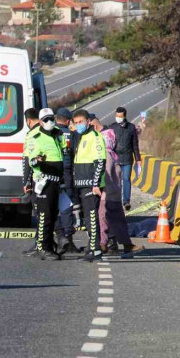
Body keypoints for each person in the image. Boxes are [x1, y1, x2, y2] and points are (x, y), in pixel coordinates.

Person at [22, 107, 66, 260]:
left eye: (52, 119)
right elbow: (31, 161)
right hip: (44, 181)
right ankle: (42, 247)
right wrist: (38, 160)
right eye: (46, 120)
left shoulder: (58, 135)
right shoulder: (36, 137)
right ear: (40, 122)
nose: (50, 122)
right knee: (44, 216)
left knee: (52, 216)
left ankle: (48, 245)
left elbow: (64, 153)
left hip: (56, 181)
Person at [96, 123, 143, 258]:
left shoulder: (110, 155)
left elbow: (110, 175)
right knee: (113, 220)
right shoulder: (110, 155)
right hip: (111, 194)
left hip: (110, 194)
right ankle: (119, 244)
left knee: (108, 219)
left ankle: (108, 243)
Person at [72, 109, 106, 262]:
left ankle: (96, 249)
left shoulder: (95, 137)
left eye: (81, 122)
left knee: (91, 217)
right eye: (76, 122)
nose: (78, 125)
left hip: (91, 184)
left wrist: (96, 184)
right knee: (87, 218)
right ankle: (92, 247)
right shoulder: (80, 137)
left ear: (88, 121)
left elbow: (100, 162)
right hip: (81, 184)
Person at [54, 107, 82, 254]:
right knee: (67, 206)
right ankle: (68, 238)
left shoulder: (51, 133)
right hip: (68, 174)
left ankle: (58, 238)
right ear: (66, 120)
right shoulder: (71, 135)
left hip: (53, 172)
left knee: (53, 207)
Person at [108, 107, 141, 211]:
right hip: (115, 158)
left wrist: (138, 159)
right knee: (116, 180)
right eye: (117, 116)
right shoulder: (112, 127)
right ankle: (116, 200)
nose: (118, 118)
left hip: (127, 158)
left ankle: (126, 201)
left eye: (120, 116)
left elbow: (135, 144)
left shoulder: (131, 128)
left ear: (125, 116)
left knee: (126, 179)